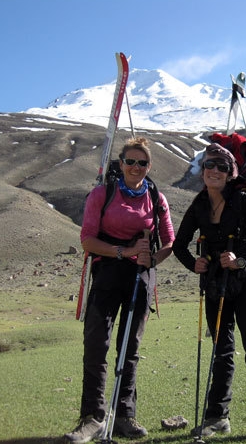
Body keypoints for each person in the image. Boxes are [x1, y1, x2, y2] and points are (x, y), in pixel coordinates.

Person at [65, 137, 175, 444]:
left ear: (149, 166)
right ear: (121, 164)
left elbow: (169, 241)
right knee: (96, 344)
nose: (135, 167)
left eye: (142, 163)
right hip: (108, 271)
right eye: (130, 162)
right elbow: (87, 240)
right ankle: (92, 418)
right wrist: (124, 252)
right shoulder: (102, 194)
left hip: (141, 276)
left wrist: (152, 258)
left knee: (130, 348)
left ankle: (125, 414)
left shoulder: (155, 197)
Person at [172, 144, 246, 442]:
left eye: (221, 166)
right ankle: (217, 418)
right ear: (202, 171)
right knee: (221, 352)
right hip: (215, 286)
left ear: (231, 172)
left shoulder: (245, 201)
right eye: (209, 165)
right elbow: (179, 245)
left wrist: (242, 259)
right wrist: (195, 264)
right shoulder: (198, 206)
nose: (214, 171)